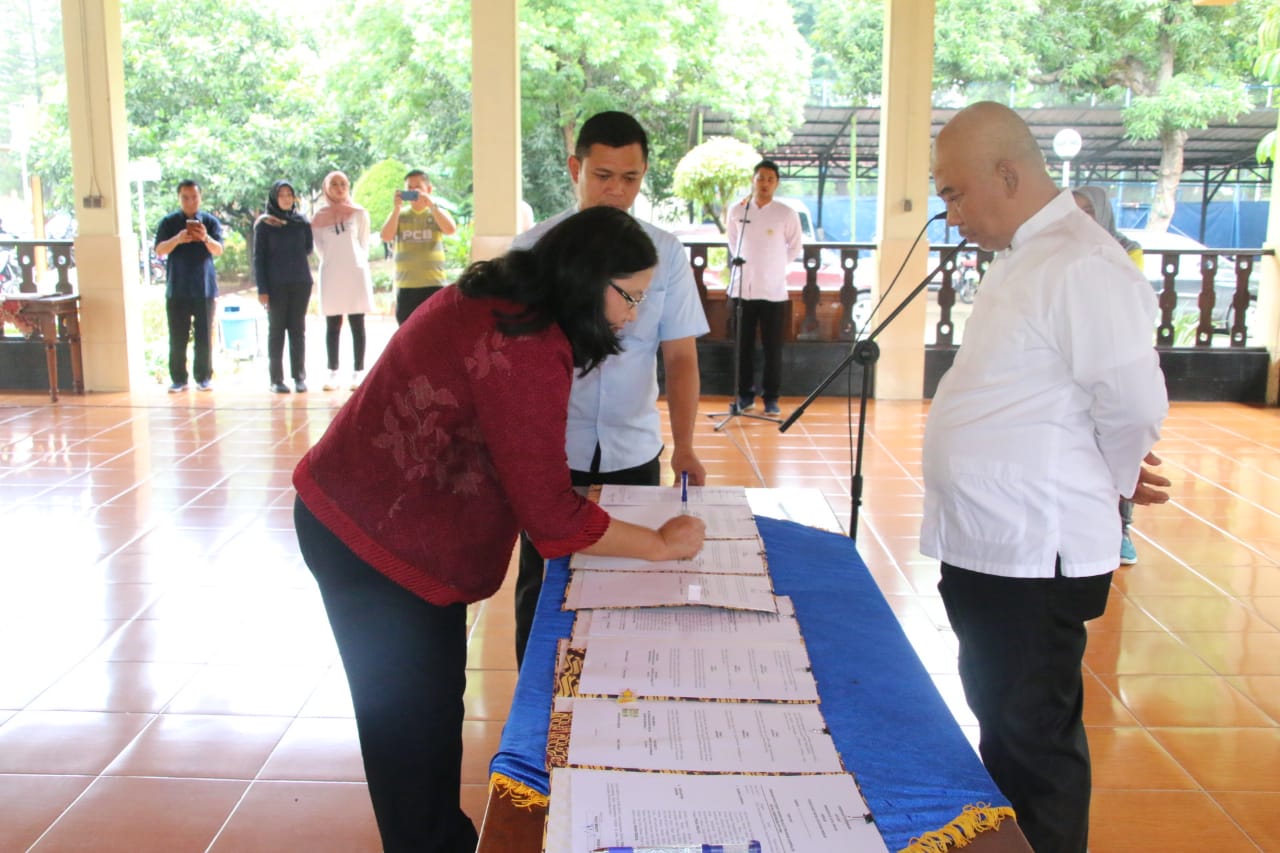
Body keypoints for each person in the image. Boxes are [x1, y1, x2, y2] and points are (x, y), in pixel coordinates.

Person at [293, 205, 707, 853]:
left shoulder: (511, 300)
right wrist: (659, 543)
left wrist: (586, 497)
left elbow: (513, 450)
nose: (632, 315)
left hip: (390, 518)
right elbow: (549, 519)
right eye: (628, 296)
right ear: (584, 277)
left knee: (428, 711)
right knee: (412, 726)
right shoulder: (525, 343)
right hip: (372, 541)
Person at [923, 102, 1171, 853]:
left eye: (957, 193)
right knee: (1005, 728)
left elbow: (1131, 401)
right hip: (993, 543)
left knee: (1034, 744)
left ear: (1009, 173)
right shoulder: (1027, 256)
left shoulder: (1083, 262)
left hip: (1035, 547)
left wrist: (1115, 477)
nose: (951, 212)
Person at [509, 110, 711, 666]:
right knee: (545, 581)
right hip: (553, 450)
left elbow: (680, 356)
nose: (615, 191)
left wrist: (687, 444)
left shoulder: (664, 253)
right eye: (602, 175)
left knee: (632, 575)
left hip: (632, 445)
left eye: (630, 178)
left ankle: (614, 695)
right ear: (575, 169)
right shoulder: (531, 252)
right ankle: (539, 702)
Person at [1073, 185, 1146, 566]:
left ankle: (1122, 529)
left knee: (1122, 445)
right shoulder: (1057, 250)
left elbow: (1123, 298)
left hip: (1117, 358)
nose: (1080, 217)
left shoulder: (1125, 249)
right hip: (1073, 363)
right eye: (1073, 210)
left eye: (1087, 210)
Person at [726, 159, 803, 416]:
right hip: (742, 291)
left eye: (770, 179)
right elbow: (732, 242)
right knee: (743, 347)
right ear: (753, 179)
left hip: (773, 292)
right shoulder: (738, 210)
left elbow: (794, 247)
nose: (765, 184)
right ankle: (744, 396)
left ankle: (771, 398)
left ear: (777, 183)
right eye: (761, 178)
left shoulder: (785, 213)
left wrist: (775, 265)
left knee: (773, 348)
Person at [154, 180, 224, 393]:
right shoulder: (169, 222)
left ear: (200, 197)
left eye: (194, 197)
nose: (190, 201)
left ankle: (203, 378)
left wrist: (204, 238)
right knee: (177, 336)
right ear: (179, 198)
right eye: (185, 197)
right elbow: (160, 249)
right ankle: (178, 379)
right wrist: (177, 239)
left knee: (204, 336)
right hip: (178, 288)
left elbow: (219, 249)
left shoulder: (210, 222)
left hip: (204, 288)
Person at [312, 171, 375, 391]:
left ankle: (358, 371)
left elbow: (363, 243)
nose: (339, 188)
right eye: (334, 184)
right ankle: (332, 372)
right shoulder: (319, 217)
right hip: (331, 272)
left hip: (354, 271)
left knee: (357, 323)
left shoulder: (359, 213)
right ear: (326, 187)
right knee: (333, 324)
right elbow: (320, 248)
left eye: (343, 184)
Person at [253, 180, 314, 394]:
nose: (286, 198)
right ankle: (276, 379)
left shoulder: (301, 222)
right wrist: (262, 289)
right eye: (282, 195)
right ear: (274, 198)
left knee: (298, 330)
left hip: (300, 282)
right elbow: (258, 258)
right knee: (277, 331)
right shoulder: (264, 224)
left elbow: (308, 248)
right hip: (275, 285)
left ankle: (299, 377)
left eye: (290, 194)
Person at [379, 169, 458, 325]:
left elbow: (450, 229)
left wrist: (432, 206)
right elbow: (386, 236)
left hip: (433, 284)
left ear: (428, 190)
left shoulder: (437, 213)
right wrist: (396, 208)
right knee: (406, 330)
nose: (413, 191)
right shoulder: (400, 215)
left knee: (435, 329)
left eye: (418, 187)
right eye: (409, 188)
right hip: (406, 285)